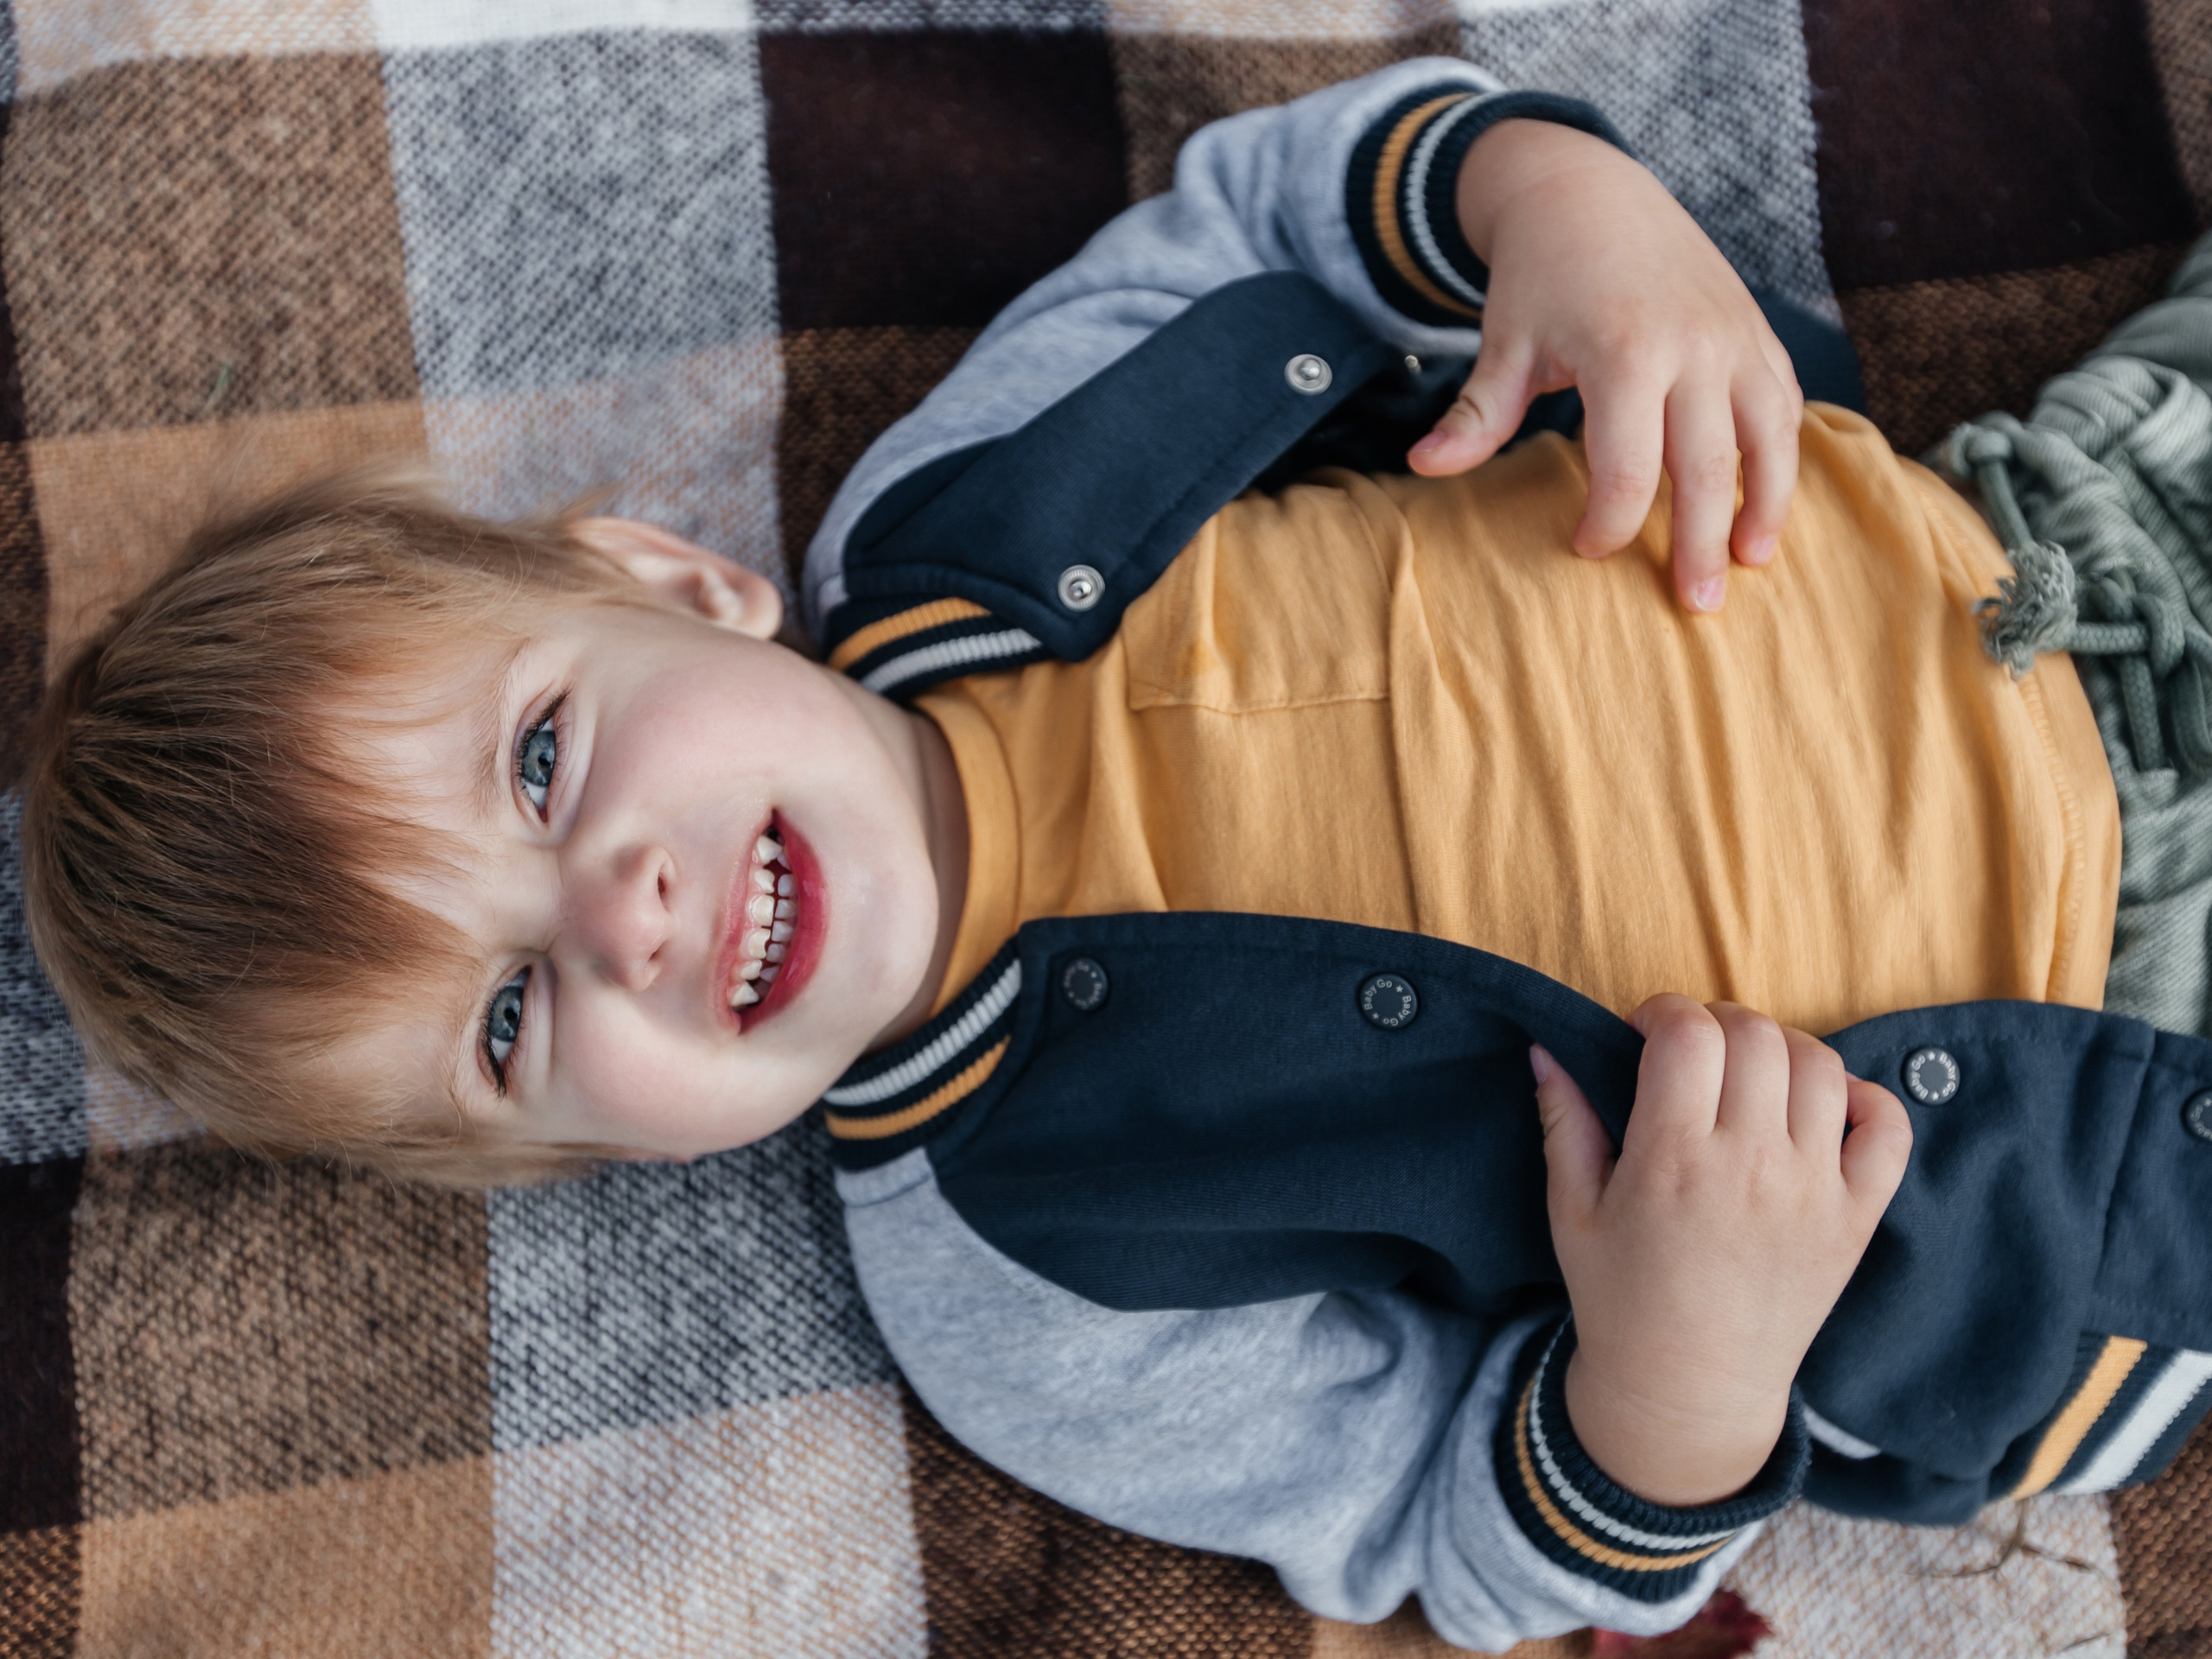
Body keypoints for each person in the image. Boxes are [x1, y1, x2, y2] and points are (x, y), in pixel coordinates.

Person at [19, 58, 2212, 1650]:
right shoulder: (1020, 1285)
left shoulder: (963, 501)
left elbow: (1293, 214)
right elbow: (1454, 1545)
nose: (619, 910)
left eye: (539, 763)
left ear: (671, 582)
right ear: (580, 1158)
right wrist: (1681, 1371)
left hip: (2061, 531)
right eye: (510, 1017)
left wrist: (1561, 206)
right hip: (2085, 1130)